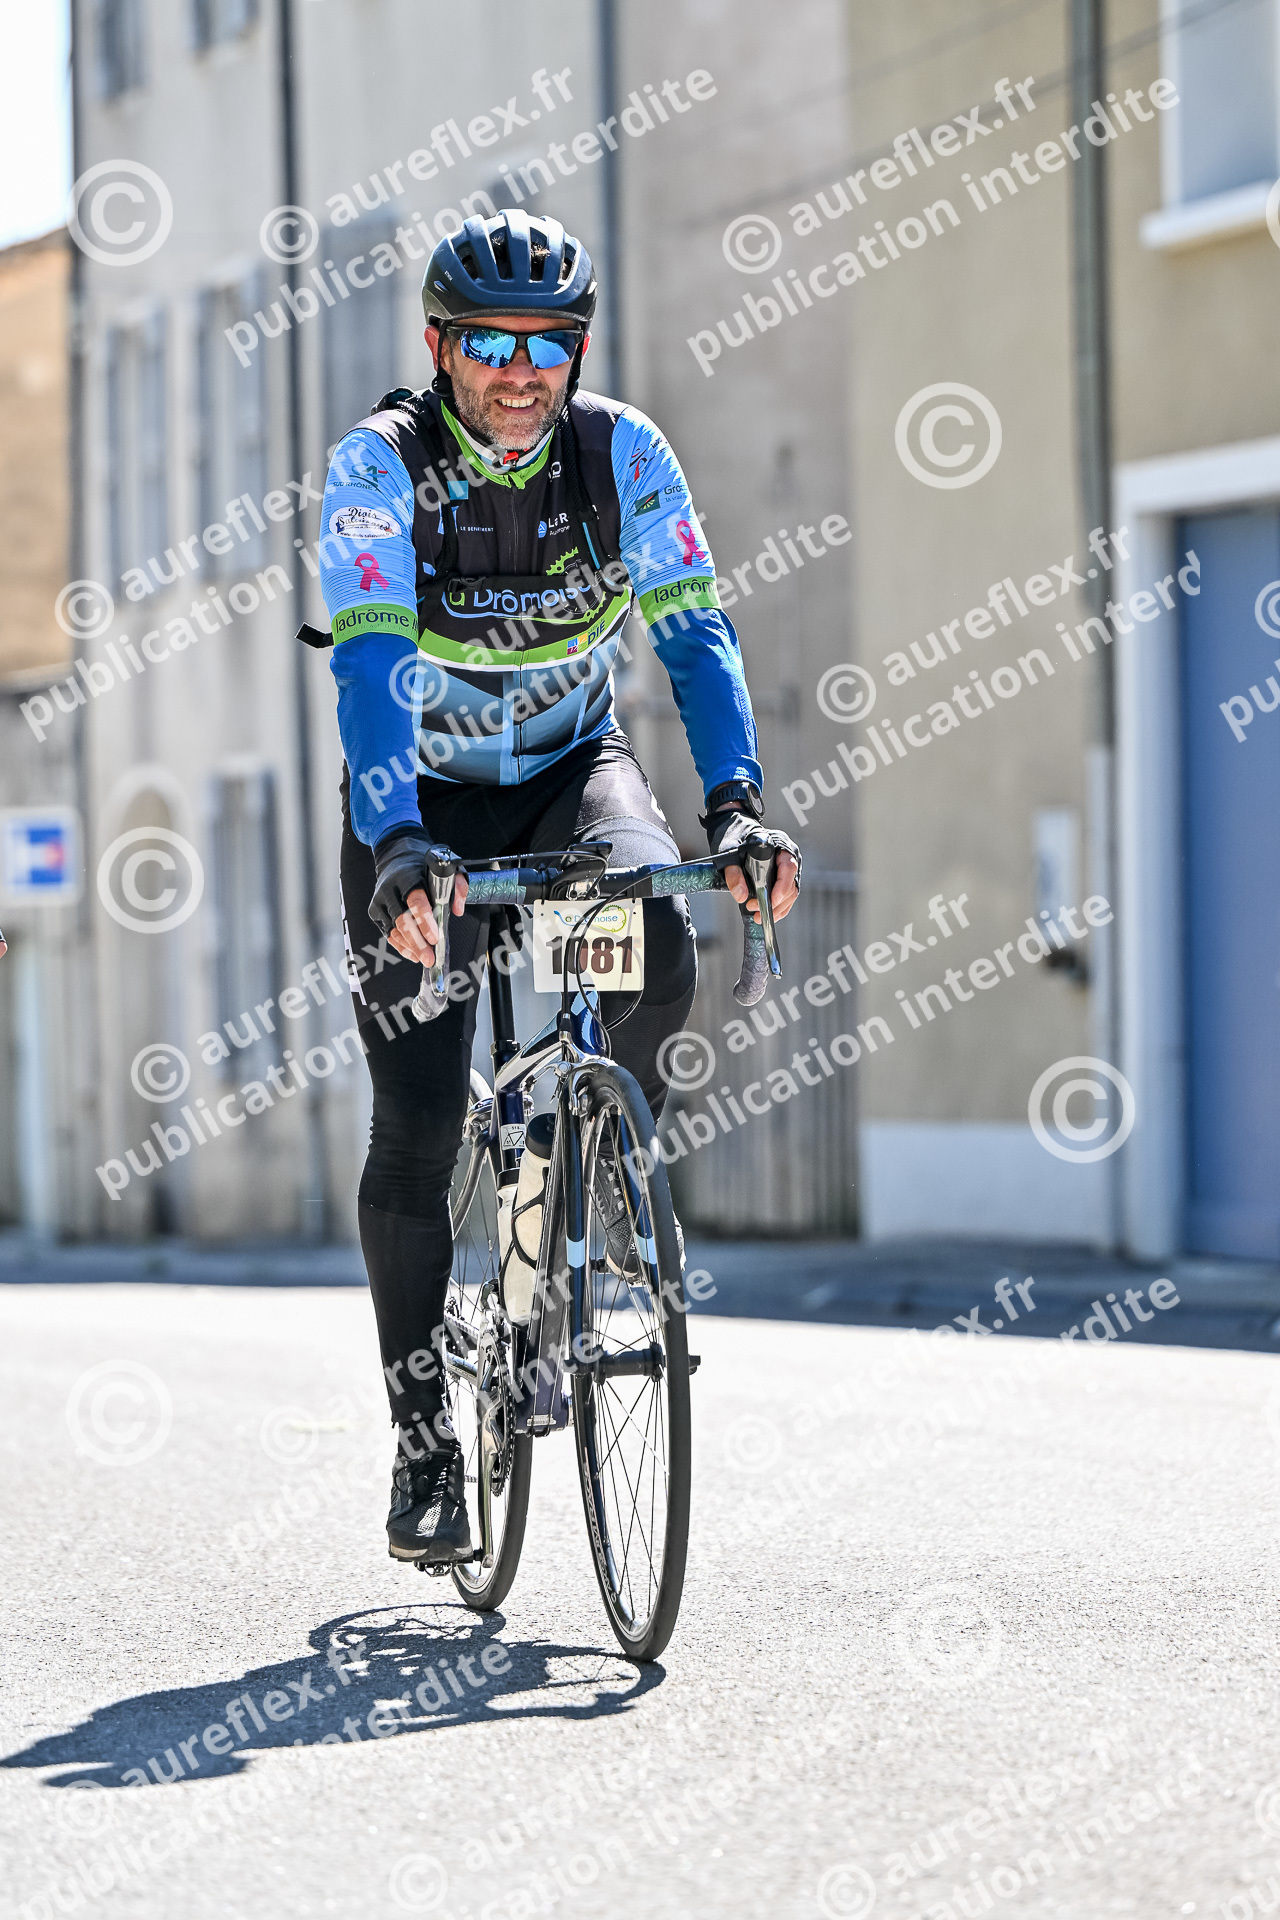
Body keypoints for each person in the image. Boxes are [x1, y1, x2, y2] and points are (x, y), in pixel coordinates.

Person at [318, 208, 799, 1565]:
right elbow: (370, 661)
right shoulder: (377, 467)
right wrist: (398, 840)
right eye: (489, 343)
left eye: (548, 343)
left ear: (577, 350)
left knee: (661, 941)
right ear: (439, 347)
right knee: (419, 1124)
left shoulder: (622, 452)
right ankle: (425, 1445)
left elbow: (694, 634)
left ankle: (586, 1175)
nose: (520, 371)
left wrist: (737, 804)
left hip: (568, 772)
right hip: (418, 802)